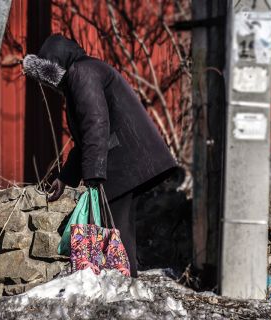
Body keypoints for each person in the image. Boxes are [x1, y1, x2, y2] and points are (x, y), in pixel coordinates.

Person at [23, 34, 177, 277]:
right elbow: (87, 138)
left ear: (55, 69)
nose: (47, 86)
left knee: (115, 228)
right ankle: (124, 284)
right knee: (117, 228)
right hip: (124, 160)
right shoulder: (86, 71)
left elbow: (96, 125)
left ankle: (124, 288)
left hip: (122, 161)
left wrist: (94, 174)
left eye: (46, 78)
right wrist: (65, 178)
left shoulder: (81, 74)